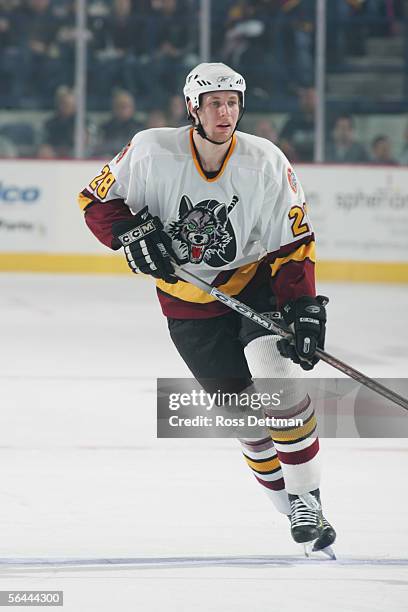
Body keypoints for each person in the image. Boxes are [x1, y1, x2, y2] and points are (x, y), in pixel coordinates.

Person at [78, 62, 336, 554]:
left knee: (275, 379)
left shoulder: (265, 161)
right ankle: (294, 516)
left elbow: (293, 242)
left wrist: (301, 306)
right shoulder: (151, 150)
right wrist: (128, 232)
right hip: (187, 303)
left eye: (233, 102)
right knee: (245, 421)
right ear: (193, 108)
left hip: (253, 283)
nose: (226, 111)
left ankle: (308, 500)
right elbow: (96, 202)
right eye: (215, 102)